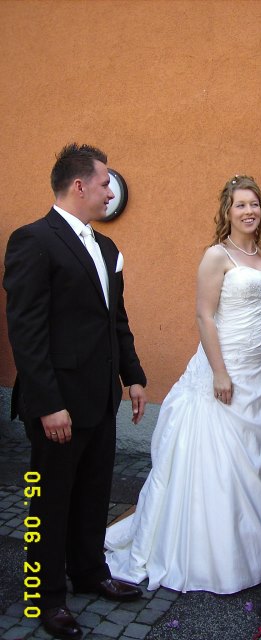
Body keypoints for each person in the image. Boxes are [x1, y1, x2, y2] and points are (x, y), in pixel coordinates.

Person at [104, 175, 261, 594]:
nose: (248, 211)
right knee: (222, 461)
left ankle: (259, 544)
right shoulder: (216, 256)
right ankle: (217, 554)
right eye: (240, 204)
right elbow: (205, 316)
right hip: (224, 368)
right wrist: (219, 372)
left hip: (260, 372)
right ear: (227, 211)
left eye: (254, 204)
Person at [3, 143, 148, 639]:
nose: (110, 192)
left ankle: (90, 573)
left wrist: (133, 376)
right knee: (48, 502)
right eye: (105, 184)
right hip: (57, 405)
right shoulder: (33, 240)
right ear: (80, 185)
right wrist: (48, 404)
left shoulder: (106, 248)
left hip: (100, 398)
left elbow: (116, 321)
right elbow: (26, 332)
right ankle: (45, 597)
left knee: (93, 493)